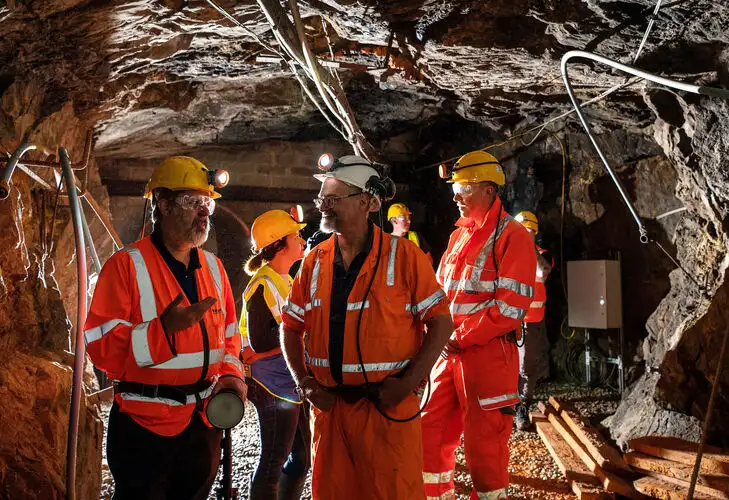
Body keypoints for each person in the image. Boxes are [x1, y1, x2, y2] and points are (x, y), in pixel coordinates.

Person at [280, 154, 454, 499]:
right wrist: (304, 383)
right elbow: (290, 326)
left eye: (332, 199)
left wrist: (407, 383)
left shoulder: (405, 256)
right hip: (331, 413)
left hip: (385, 411)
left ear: (365, 202)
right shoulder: (314, 261)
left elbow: (441, 323)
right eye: (321, 199)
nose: (323, 207)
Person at [84, 156, 246, 500]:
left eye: (206, 204)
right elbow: (100, 349)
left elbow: (231, 335)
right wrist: (162, 331)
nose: (203, 212)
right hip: (146, 426)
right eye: (191, 202)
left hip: (202, 425)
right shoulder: (125, 266)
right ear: (162, 203)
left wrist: (232, 377)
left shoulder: (214, 269)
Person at [421, 150, 537, 500]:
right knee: (429, 431)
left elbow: (510, 306)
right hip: (448, 354)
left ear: (488, 190)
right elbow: (440, 292)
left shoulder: (513, 237)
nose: (456, 196)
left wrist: (459, 336)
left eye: (464, 189)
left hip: (487, 356)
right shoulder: (458, 238)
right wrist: (436, 332)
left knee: (483, 446)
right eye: (454, 189)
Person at [239, 209, 311, 500]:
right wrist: (301, 332)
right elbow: (259, 341)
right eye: (296, 235)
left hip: (289, 380)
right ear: (280, 244)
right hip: (272, 386)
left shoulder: (284, 280)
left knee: (302, 459)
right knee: (272, 464)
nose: (302, 239)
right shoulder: (262, 284)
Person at [513, 211, 554, 430]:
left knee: (527, 368)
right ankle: (508, 407)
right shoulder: (509, 254)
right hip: (510, 321)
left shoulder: (542, 254)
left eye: (526, 232)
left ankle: (522, 408)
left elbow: (543, 271)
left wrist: (529, 246)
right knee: (507, 366)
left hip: (531, 323)